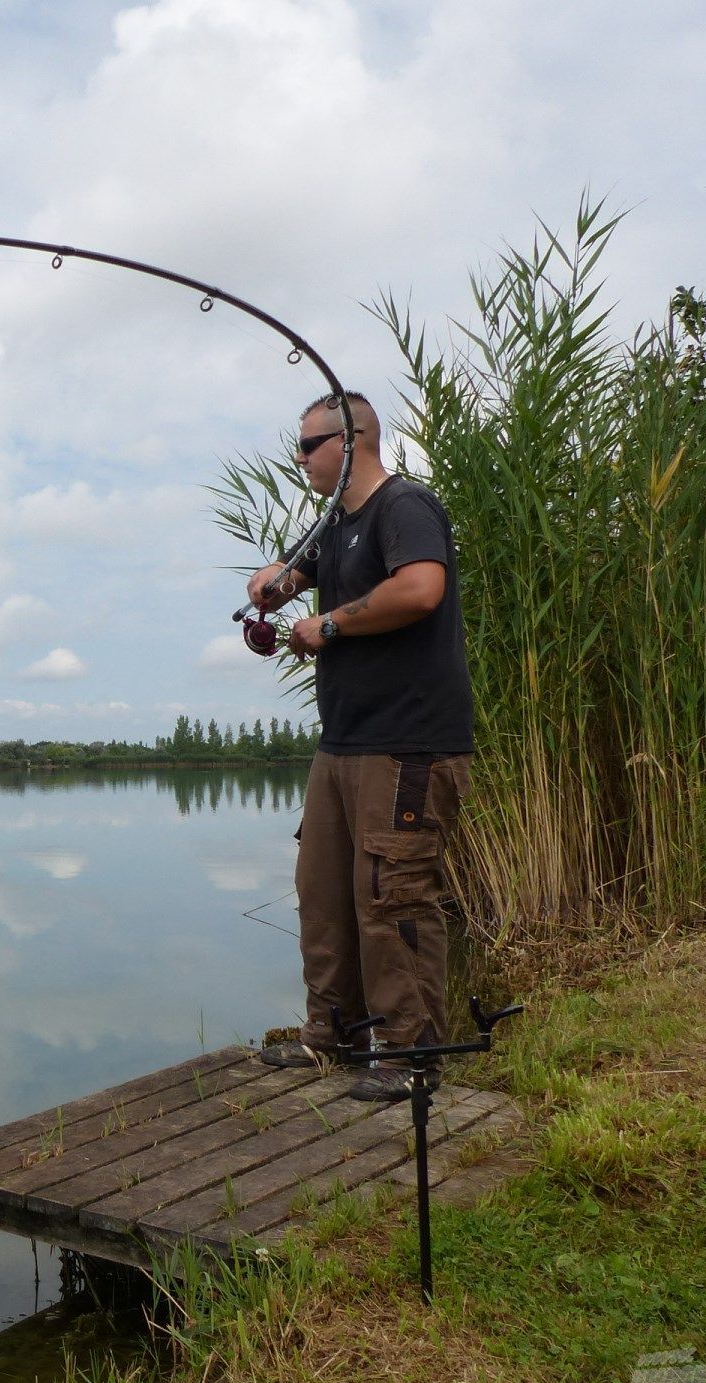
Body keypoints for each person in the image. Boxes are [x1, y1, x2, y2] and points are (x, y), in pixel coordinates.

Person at [246, 392, 475, 1103]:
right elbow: (283, 584)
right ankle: (333, 1037)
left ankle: (411, 1057)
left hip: (405, 742)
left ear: (351, 442)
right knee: (323, 893)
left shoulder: (403, 507)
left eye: (308, 446)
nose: (299, 459)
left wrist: (332, 626)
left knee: (394, 896)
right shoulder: (333, 525)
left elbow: (420, 588)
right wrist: (270, 591)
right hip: (343, 743)